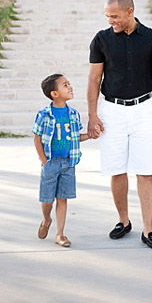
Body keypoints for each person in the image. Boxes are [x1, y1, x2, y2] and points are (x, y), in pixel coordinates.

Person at [87, 0, 152, 250]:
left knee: (145, 169)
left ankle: (148, 229)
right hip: (111, 110)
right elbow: (94, 79)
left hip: (143, 110)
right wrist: (92, 114)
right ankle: (123, 221)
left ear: (130, 11)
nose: (110, 21)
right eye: (107, 16)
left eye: (115, 16)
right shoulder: (101, 39)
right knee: (116, 169)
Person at [33, 74, 92, 248]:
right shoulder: (44, 114)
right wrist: (44, 161)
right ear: (54, 94)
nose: (70, 87)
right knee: (47, 200)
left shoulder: (73, 113)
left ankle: (60, 234)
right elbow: (37, 138)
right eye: (65, 85)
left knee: (63, 198)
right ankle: (46, 219)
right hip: (51, 162)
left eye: (69, 84)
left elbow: (76, 137)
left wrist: (90, 135)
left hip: (68, 162)